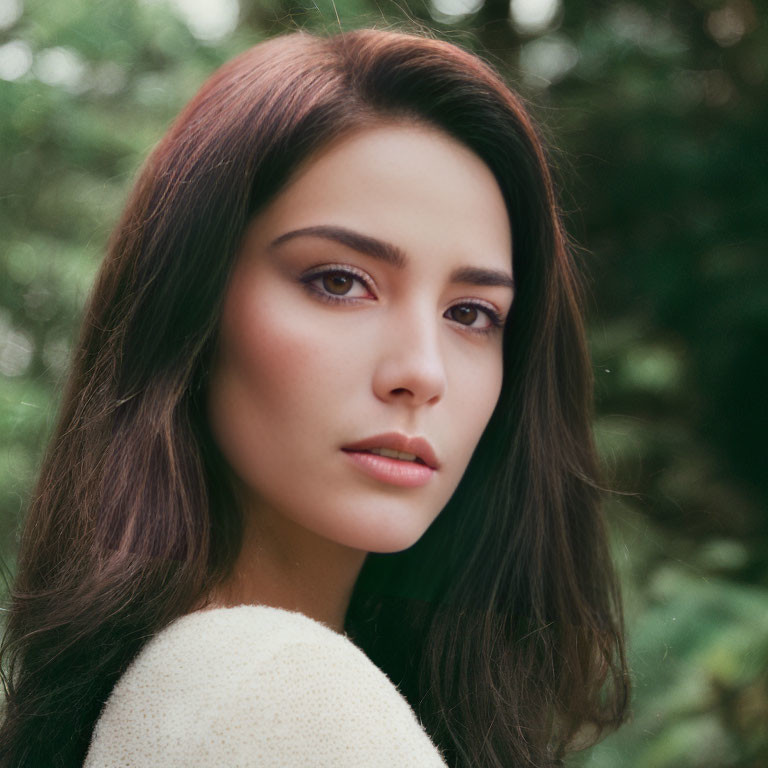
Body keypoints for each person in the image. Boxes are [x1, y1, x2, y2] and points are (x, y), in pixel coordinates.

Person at [0, 25, 629, 768]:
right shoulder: (273, 694)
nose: (422, 372)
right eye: (339, 282)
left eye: (471, 314)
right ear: (188, 308)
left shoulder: (180, 695)